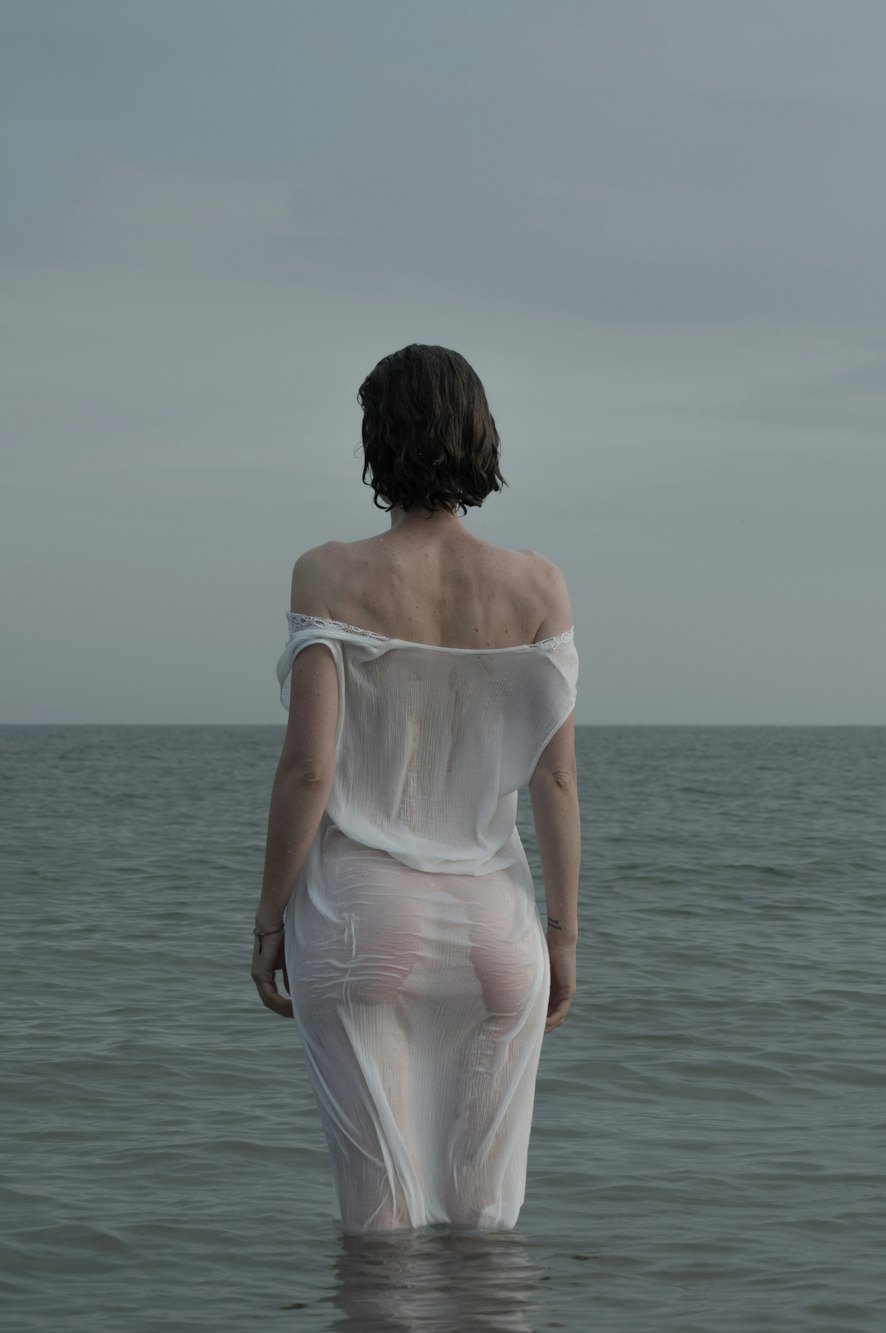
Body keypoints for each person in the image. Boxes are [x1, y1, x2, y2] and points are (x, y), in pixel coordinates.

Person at [250, 344, 580, 1234]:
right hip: (497, 928)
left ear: (376, 442)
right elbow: (554, 780)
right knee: (483, 1225)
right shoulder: (538, 585)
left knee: (380, 1229)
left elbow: (310, 769)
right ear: (477, 436)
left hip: (363, 916)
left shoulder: (327, 575)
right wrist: (563, 933)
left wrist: (269, 919)